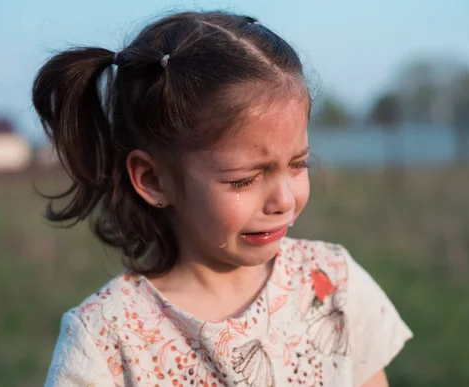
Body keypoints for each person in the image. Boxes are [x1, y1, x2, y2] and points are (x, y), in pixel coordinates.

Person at [35, 11, 412, 387]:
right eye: (245, 180)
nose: (283, 200)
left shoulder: (332, 282)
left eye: (298, 164)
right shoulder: (107, 338)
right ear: (154, 180)